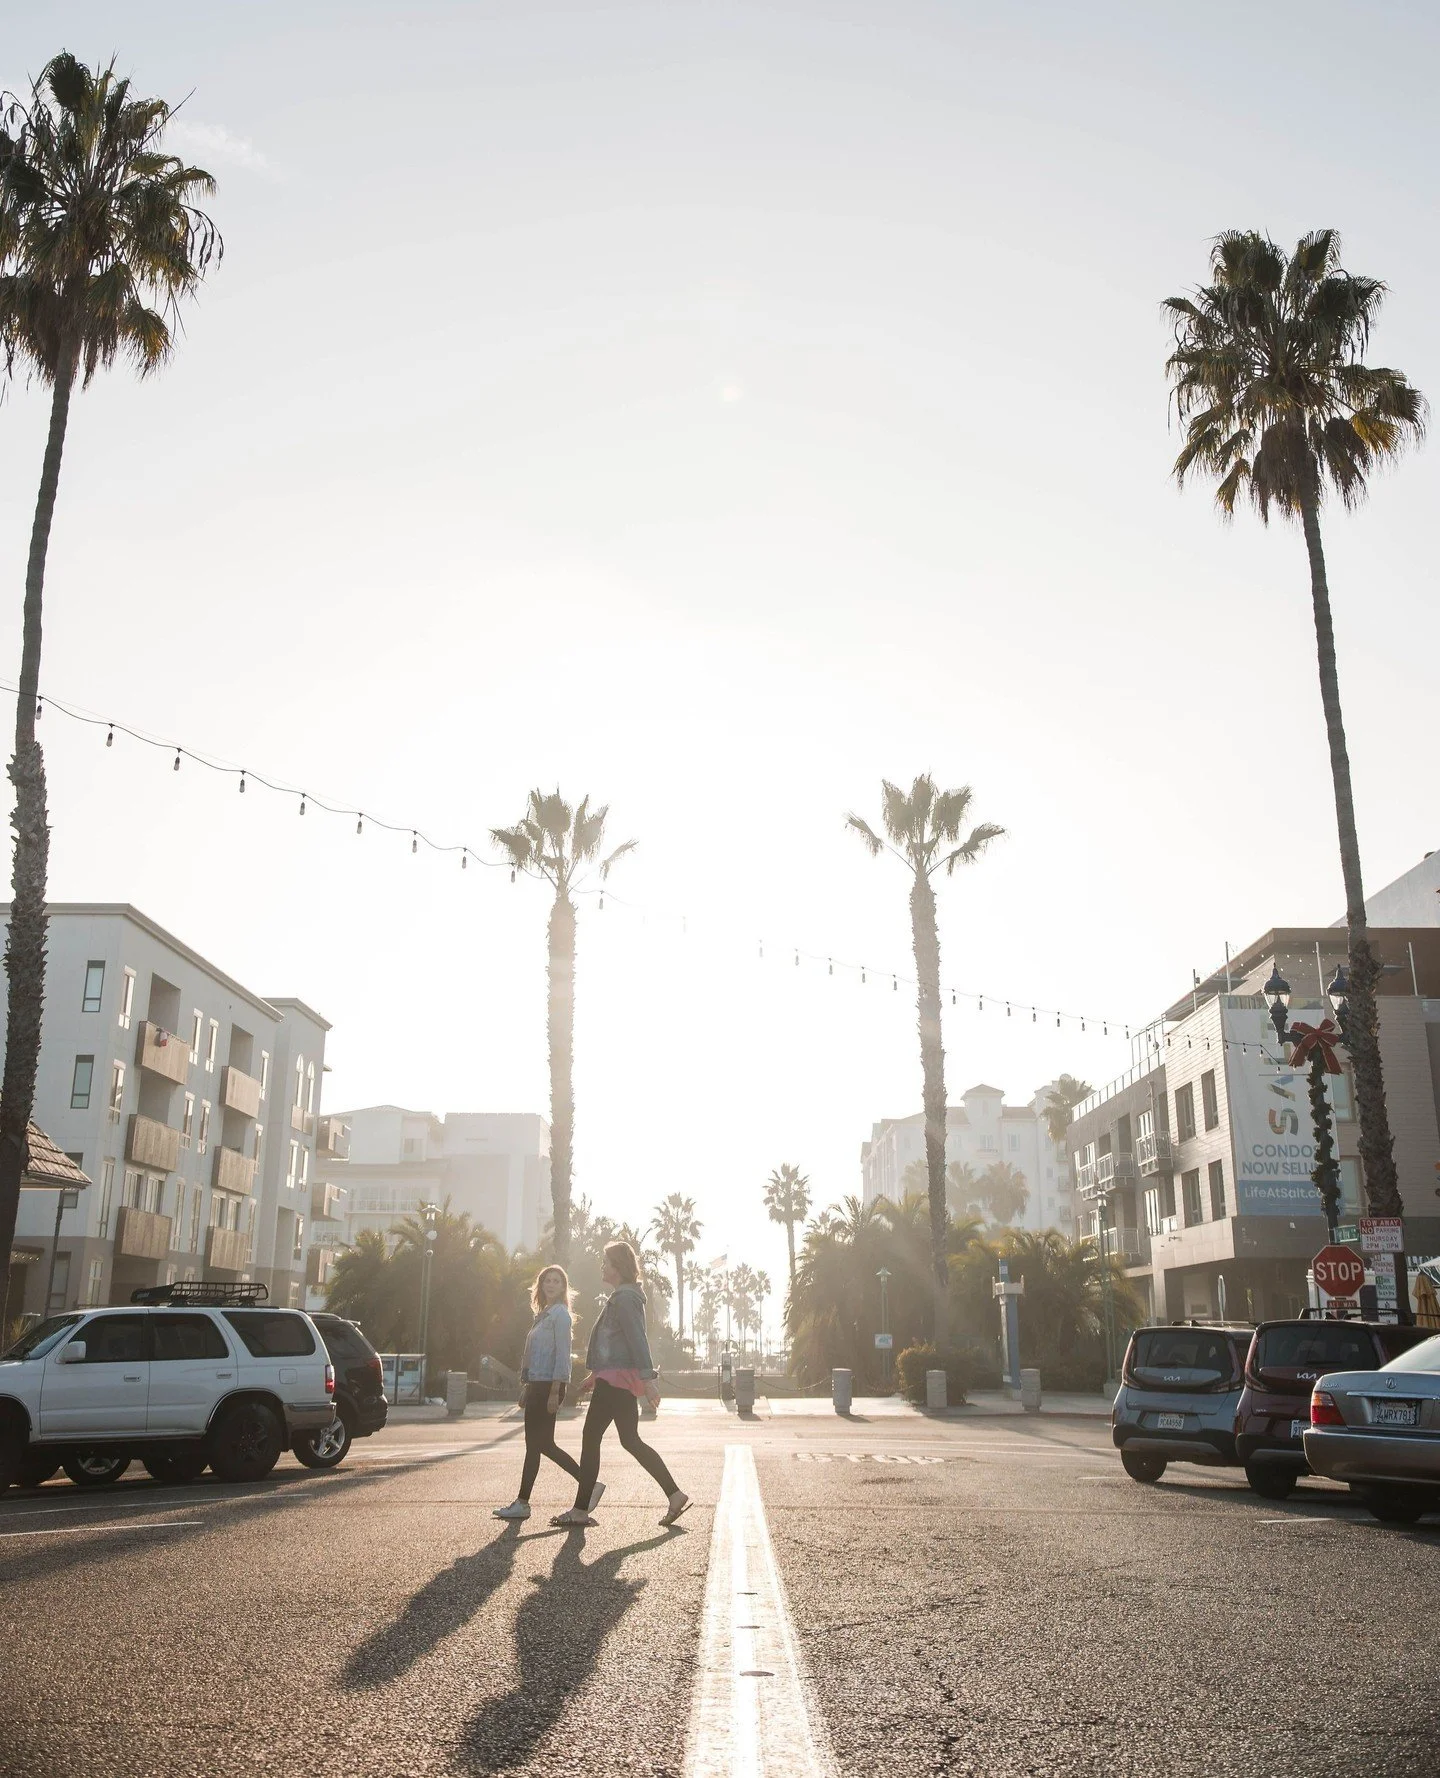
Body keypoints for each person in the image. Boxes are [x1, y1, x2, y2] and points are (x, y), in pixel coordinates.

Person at [552, 1240, 690, 1529]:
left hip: (616, 1382)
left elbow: (637, 1339)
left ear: (618, 1267)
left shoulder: (625, 1299)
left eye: (606, 1262)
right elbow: (613, 1343)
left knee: (592, 1438)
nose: (602, 1266)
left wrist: (648, 1380)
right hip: (613, 1378)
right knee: (630, 1440)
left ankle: (580, 1510)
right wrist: (595, 1374)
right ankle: (674, 1494)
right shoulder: (621, 1296)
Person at [494, 1264, 601, 1521]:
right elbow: (534, 1356)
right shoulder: (543, 1315)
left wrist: (555, 1391)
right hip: (537, 1385)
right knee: (540, 1445)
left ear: (564, 1287)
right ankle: (583, 1486)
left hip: (549, 1385)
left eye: (556, 1281)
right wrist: (527, 1386)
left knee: (539, 1444)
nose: (551, 1285)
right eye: (547, 1281)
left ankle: (526, 1502)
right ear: (540, 1286)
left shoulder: (560, 1316)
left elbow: (562, 1356)